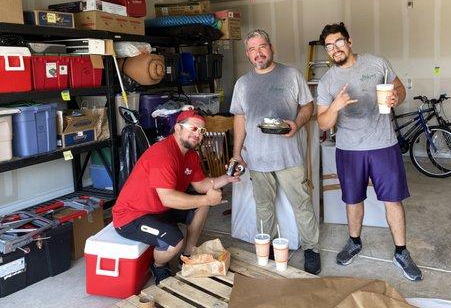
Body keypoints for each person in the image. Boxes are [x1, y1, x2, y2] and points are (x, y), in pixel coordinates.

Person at [316, 22, 422, 281]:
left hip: (383, 145)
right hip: (349, 149)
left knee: (392, 199)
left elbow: (399, 89)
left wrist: (397, 97)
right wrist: (336, 107)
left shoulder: (376, 63)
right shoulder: (328, 82)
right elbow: (322, 123)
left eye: (338, 42)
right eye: (329, 46)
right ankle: (354, 242)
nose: (334, 49)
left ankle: (401, 251)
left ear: (349, 42)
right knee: (353, 200)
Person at [230, 29, 321, 274]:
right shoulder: (243, 84)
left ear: (271, 48)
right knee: (263, 206)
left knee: (301, 203)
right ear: (248, 55)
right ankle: (266, 247)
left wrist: (297, 123)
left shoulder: (290, 75)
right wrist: (237, 153)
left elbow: (307, 105)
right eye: (252, 49)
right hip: (257, 159)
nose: (258, 53)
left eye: (262, 47)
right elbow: (239, 119)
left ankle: (312, 248)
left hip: (289, 157)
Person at [112, 110, 240, 284]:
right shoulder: (163, 154)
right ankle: (158, 266)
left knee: (202, 206)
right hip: (131, 216)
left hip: (159, 209)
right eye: (193, 128)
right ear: (177, 128)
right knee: (174, 241)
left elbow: (201, 185)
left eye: (202, 131)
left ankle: (187, 256)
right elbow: (169, 199)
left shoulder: (191, 155)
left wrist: (227, 178)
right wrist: (207, 199)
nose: (198, 134)